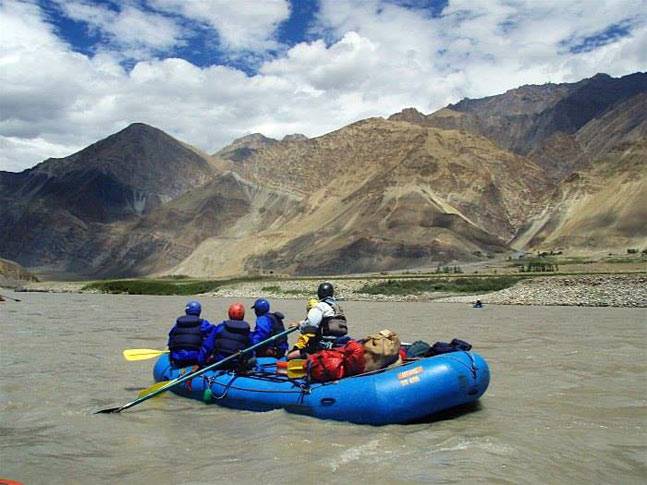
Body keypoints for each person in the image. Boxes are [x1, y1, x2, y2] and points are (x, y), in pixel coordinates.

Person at [287, 283, 349, 359]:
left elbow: (311, 325)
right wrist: (300, 323)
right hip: (338, 342)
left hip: (323, 345)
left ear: (319, 294)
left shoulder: (320, 306)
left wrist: (300, 326)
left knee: (290, 356)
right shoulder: (337, 307)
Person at [202, 303, 251, 369]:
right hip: (237, 363)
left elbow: (207, 346)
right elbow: (251, 348)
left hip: (219, 361)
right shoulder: (247, 331)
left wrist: (200, 362)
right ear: (243, 315)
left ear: (229, 314)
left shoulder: (220, 327)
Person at [167, 300, 214, 368]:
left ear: (186, 311)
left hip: (177, 359)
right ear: (199, 311)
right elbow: (213, 335)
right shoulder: (203, 324)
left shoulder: (178, 324)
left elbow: (171, 339)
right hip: (195, 359)